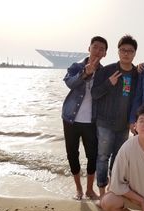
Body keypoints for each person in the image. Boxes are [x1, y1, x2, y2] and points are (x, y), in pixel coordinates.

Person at [91, 35, 138, 196]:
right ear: (118, 52)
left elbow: (137, 100)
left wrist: (134, 122)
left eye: (130, 51)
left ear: (134, 53)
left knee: (118, 159)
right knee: (103, 157)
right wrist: (108, 83)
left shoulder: (136, 74)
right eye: (123, 50)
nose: (126, 53)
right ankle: (102, 191)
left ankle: (113, 190)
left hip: (124, 125)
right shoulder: (107, 71)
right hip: (104, 123)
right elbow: (94, 93)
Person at [62, 36, 108, 200]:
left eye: (101, 49)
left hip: (91, 121)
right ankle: (79, 189)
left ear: (105, 54)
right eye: (95, 47)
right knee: (72, 154)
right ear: (89, 48)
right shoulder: (77, 66)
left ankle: (89, 189)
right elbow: (69, 83)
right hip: (70, 119)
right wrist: (85, 73)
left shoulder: (104, 72)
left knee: (93, 155)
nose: (97, 50)